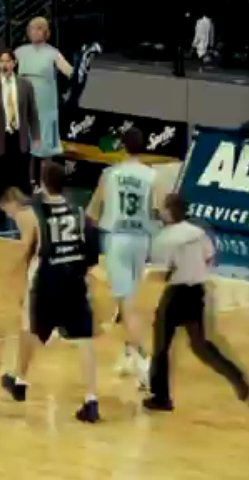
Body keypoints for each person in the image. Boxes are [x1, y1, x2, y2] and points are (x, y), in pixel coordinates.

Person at [0, 163, 101, 423]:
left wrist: (11, 277)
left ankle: (20, 380)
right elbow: (92, 252)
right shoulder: (79, 211)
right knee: (84, 340)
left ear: (43, 183)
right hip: (74, 278)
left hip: (47, 279)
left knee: (31, 328)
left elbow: (27, 249)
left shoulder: (34, 211)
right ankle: (91, 399)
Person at [144, 193, 249, 412]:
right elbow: (209, 256)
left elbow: (163, 271)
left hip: (175, 294)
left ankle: (161, 397)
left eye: (164, 209)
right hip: (196, 293)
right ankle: (239, 380)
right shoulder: (198, 232)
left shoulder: (165, 238)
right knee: (201, 345)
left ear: (170, 212)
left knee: (161, 346)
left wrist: (145, 275)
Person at [85, 127, 155, 389]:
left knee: (126, 305)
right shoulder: (152, 176)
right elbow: (158, 211)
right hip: (142, 241)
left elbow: (92, 212)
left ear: (123, 146)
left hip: (118, 239)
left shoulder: (110, 174)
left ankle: (144, 363)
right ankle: (128, 354)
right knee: (129, 299)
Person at [0, 16, 74, 190]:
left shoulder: (53, 53)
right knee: (26, 149)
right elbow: (1, 60)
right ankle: (28, 183)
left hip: (46, 109)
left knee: (46, 150)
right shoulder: (21, 51)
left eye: (39, 28)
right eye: (32, 28)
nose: (35, 31)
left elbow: (71, 72)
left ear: (46, 32)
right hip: (26, 107)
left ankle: (46, 185)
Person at [0, 48, 40, 230]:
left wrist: (36, 136)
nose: (4, 65)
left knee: (22, 183)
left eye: (7, 61)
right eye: (1, 61)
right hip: (0, 140)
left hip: (20, 139)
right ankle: (1, 223)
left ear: (14, 63)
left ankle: (25, 222)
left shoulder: (26, 85)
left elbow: (33, 112)